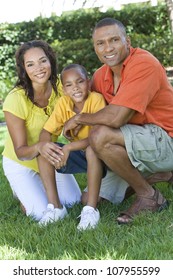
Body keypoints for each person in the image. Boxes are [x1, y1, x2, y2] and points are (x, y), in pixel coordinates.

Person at [62, 18, 173, 226]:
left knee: (101, 136)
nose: (108, 48)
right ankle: (159, 174)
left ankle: (149, 197)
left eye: (114, 40)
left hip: (166, 138)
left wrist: (79, 118)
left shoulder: (143, 63)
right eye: (100, 43)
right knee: (91, 200)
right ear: (95, 47)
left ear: (127, 41)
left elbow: (116, 118)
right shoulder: (99, 76)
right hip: (135, 144)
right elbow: (79, 102)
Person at [2, 40, 81, 222]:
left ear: (50, 61)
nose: (38, 68)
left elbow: (82, 101)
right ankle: (22, 191)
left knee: (73, 201)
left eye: (42, 61)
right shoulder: (16, 99)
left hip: (48, 156)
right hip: (20, 161)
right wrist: (40, 146)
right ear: (24, 69)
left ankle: (39, 185)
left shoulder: (61, 87)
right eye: (30, 64)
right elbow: (21, 152)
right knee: (40, 213)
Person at [38, 63, 107, 228]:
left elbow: (97, 137)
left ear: (88, 82)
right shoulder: (63, 103)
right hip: (81, 154)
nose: (75, 88)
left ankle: (90, 210)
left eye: (80, 82)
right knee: (43, 152)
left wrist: (68, 147)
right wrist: (46, 145)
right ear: (64, 90)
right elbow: (46, 131)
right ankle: (55, 207)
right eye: (69, 85)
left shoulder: (96, 100)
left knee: (91, 150)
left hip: (103, 154)